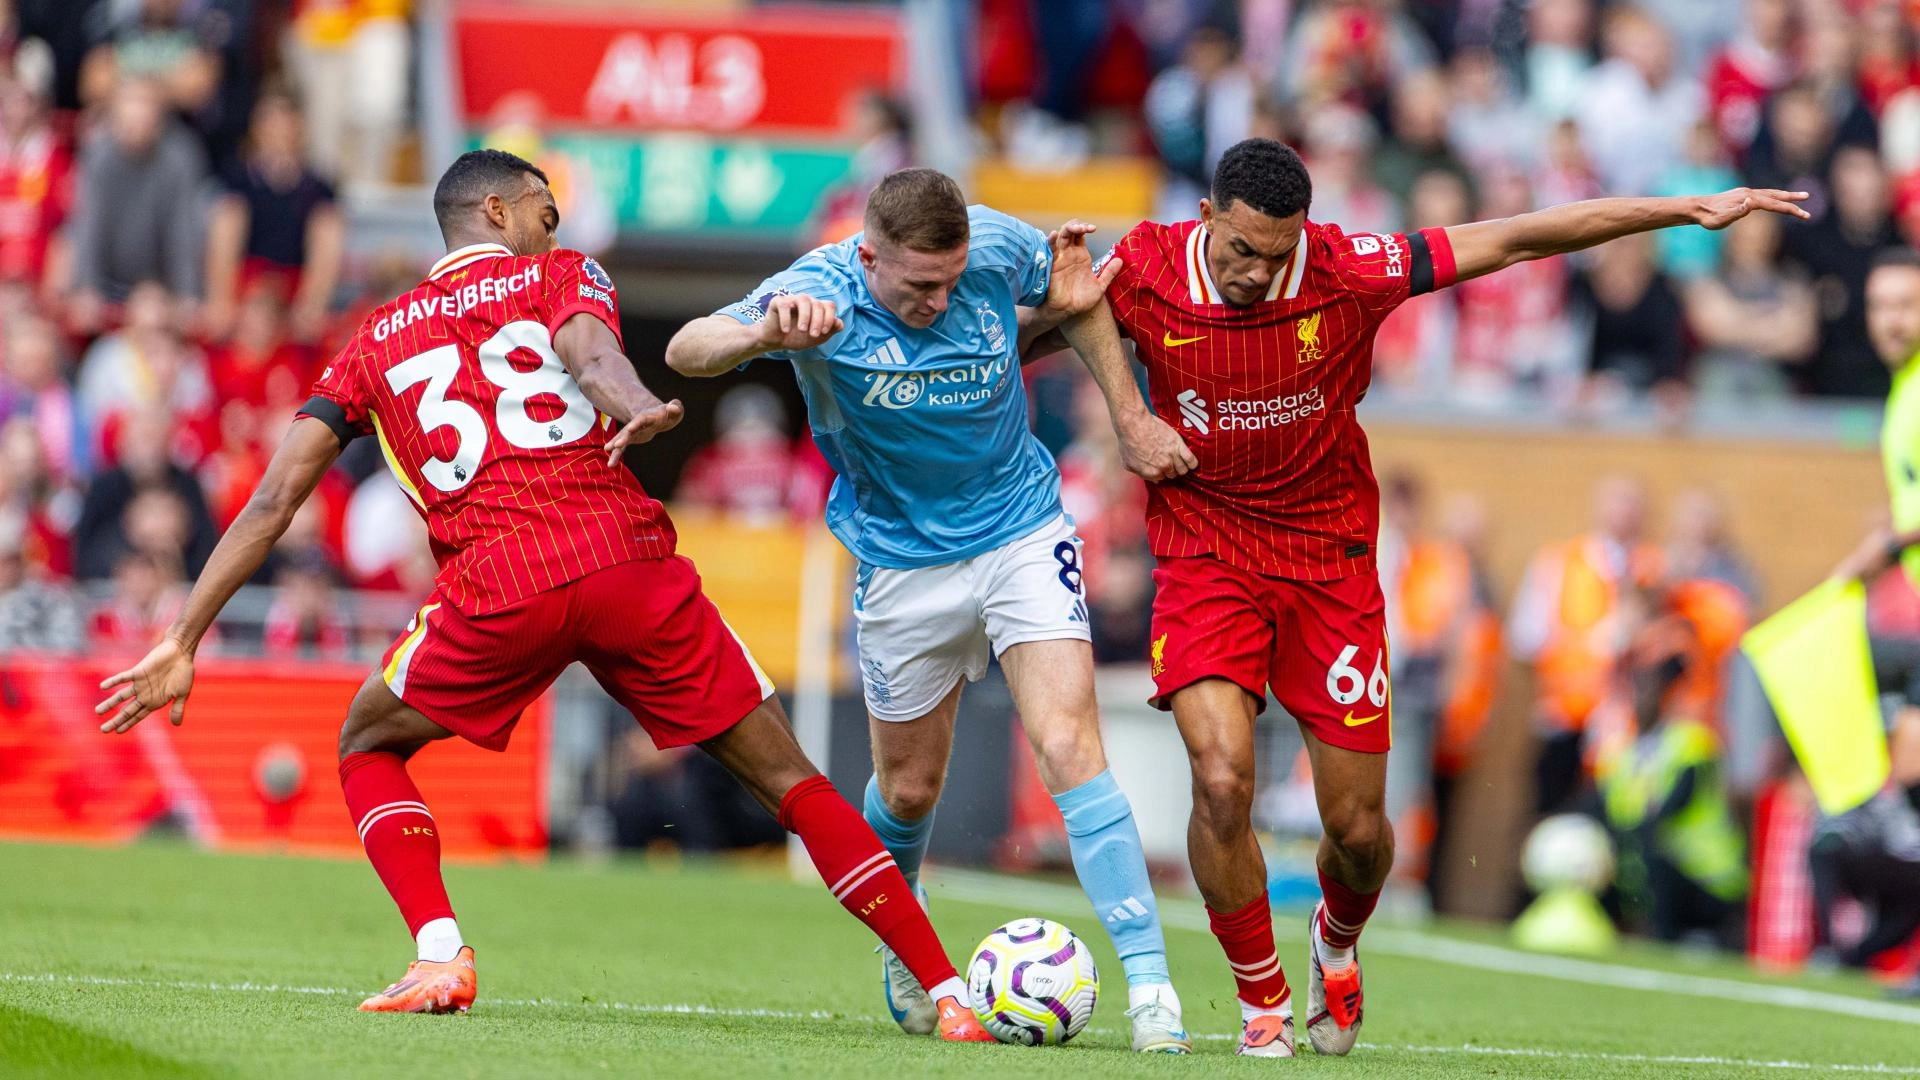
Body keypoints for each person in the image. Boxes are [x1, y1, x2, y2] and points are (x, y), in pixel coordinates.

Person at [91, 149, 996, 1041]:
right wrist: (635, 400)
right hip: (623, 561)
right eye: (543, 209)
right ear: (496, 212)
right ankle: (947, 992)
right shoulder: (558, 274)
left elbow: (273, 499)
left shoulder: (370, 341)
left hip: (500, 584)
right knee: (790, 781)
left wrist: (183, 636)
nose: (553, 226)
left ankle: (440, 951)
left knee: (368, 743)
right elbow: (590, 351)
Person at [1045, 137, 1805, 1057]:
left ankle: (1335, 940)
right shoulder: (1150, 264)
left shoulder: (1348, 270)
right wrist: (1125, 411)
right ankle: (1262, 1004)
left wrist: (1680, 209)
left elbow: (1518, 239)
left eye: (1276, 254)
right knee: (1221, 776)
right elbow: (1050, 323)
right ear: (1208, 219)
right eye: (1242, 249)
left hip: (1331, 566)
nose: (1256, 271)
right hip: (1206, 556)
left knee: (1361, 833)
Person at [664, 168, 1197, 1053]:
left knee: (1069, 745)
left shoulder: (992, 242)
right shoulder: (817, 288)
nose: (940, 299)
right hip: (902, 560)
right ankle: (907, 948)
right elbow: (687, 348)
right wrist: (763, 330)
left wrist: (1132, 418)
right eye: (919, 285)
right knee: (909, 787)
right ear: (869, 256)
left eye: (952, 282)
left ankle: (1151, 987)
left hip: (1020, 526)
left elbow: (1077, 300)